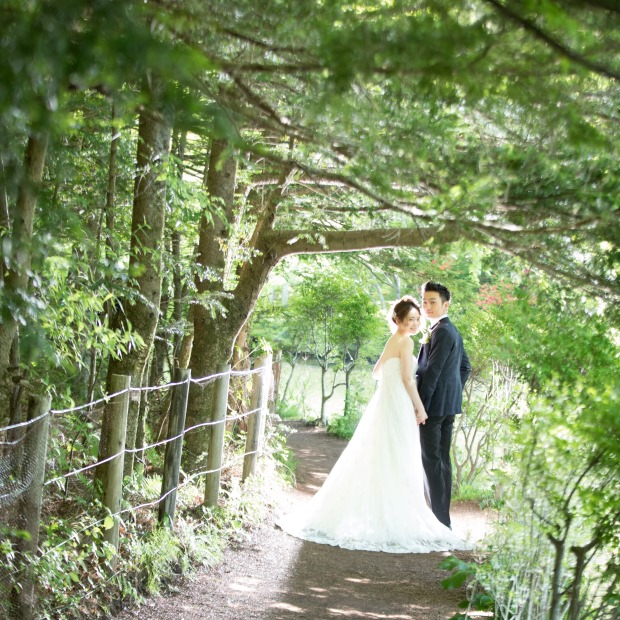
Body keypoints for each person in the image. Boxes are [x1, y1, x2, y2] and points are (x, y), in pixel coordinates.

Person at [277, 296, 469, 553]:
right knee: (399, 455)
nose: (414, 323)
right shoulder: (406, 341)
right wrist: (420, 407)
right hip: (400, 403)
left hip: (385, 403)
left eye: (416, 319)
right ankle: (394, 512)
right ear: (397, 320)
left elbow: (376, 372)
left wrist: (392, 384)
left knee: (382, 452)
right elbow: (408, 381)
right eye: (409, 319)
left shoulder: (393, 340)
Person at [417, 282, 471, 529]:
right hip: (446, 406)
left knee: (432, 461)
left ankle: (439, 522)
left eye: (433, 302)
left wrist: (421, 407)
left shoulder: (442, 332)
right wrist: (452, 394)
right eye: (424, 301)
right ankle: (442, 520)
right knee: (440, 462)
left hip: (434, 409)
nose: (427, 306)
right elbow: (465, 367)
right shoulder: (450, 330)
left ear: (446, 304)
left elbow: (432, 372)